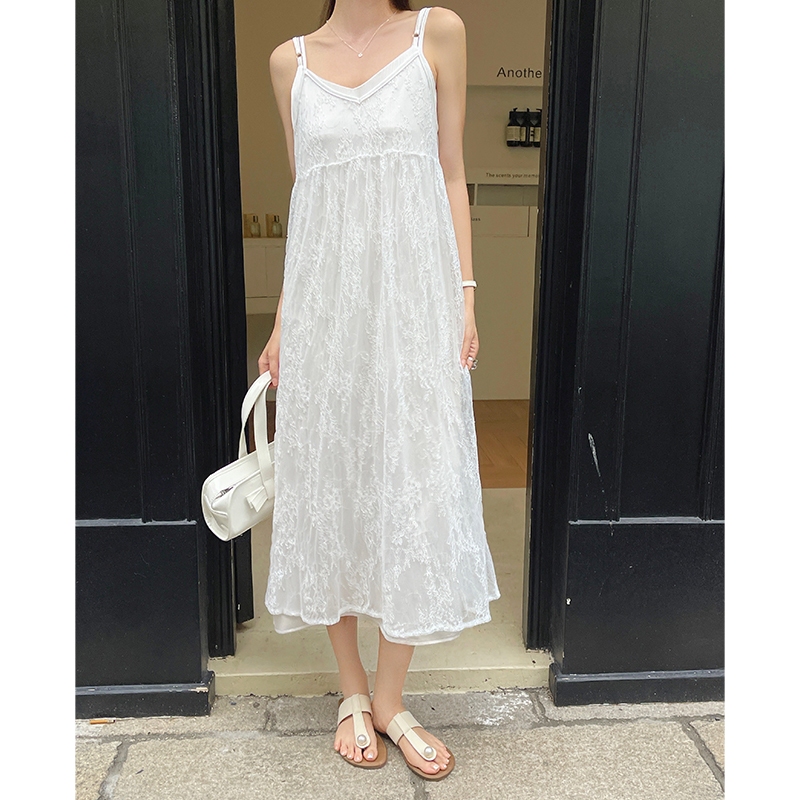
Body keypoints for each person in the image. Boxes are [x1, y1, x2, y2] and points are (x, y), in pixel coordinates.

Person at [258, 1, 500, 781]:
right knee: (330, 483)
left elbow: (451, 171)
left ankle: (392, 699)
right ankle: (353, 690)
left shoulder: (438, 32)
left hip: (414, 305)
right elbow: (309, 200)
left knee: (412, 485)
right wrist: (284, 321)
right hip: (326, 313)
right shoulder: (290, 62)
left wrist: (465, 295)